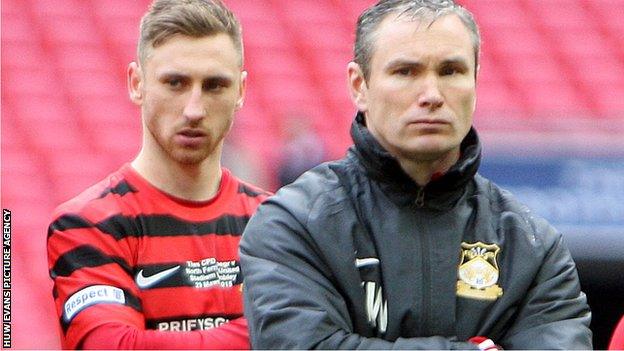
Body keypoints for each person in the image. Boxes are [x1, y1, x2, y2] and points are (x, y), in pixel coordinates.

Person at [239, 0, 592, 349]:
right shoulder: (294, 225)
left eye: (451, 71)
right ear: (359, 85)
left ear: (475, 80)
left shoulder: (531, 245)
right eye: (405, 72)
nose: (432, 95)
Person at [46, 0, 269, 349]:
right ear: (137, 83)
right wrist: (268, 334)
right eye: (175, 83)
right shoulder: (86, 224)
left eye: (214, 86)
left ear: (240, 91)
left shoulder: (276, 222)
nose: (194, 109)